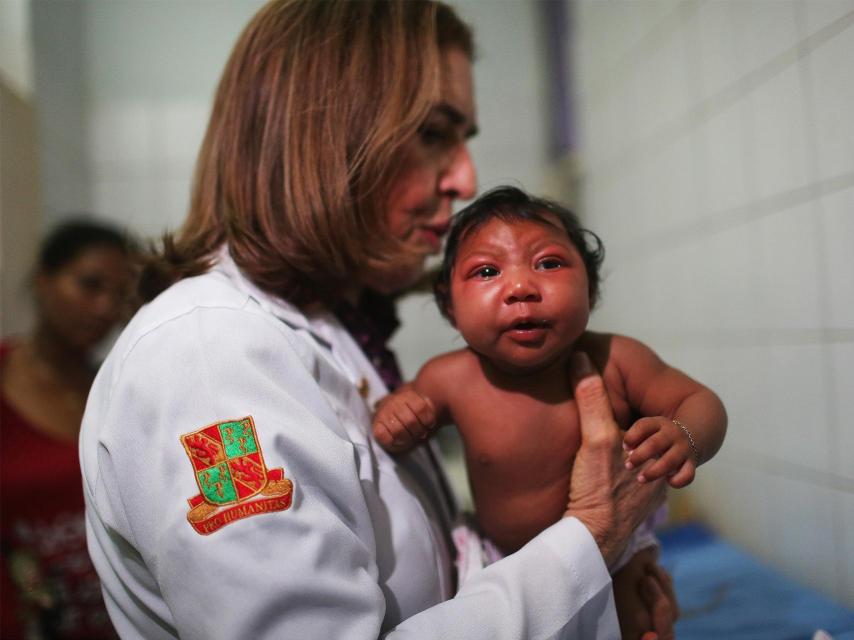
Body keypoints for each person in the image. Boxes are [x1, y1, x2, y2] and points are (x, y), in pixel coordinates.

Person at [79, 2, 675, 638]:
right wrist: (590, 535)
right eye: (431, 134)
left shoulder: (330, 331)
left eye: (463, 140)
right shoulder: (205, 365)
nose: (466, 178)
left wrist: (597, 604)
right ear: (319, 137)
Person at [371, 185, 728, 635]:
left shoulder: (618, 360)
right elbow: (392, 421)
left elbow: (702, 403)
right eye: (486, 271)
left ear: (591, 290)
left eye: (549, 263)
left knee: (636, 616)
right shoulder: (448, 379)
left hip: (615, 555)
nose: (521, 287)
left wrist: (685, 437)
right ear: (449, 306)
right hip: (501, 564)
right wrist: (395, 415)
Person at [2, 219, 134, 639]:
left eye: (120, 296)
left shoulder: (117, 390)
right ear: (43, 280)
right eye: (90, 285)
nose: (104, 309)